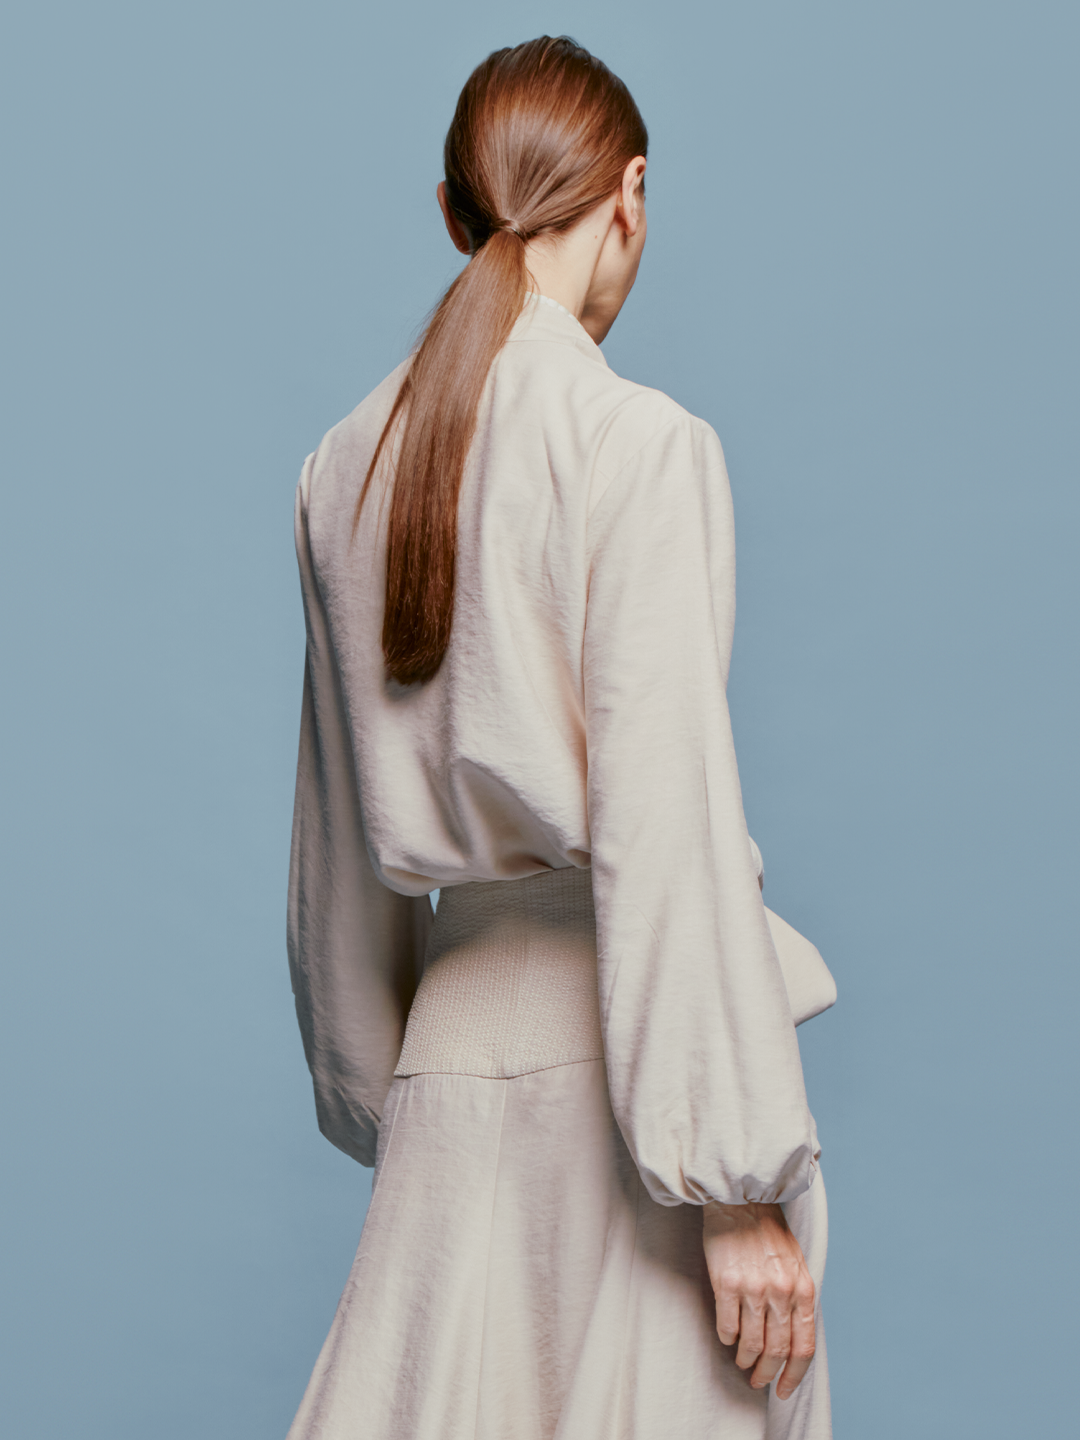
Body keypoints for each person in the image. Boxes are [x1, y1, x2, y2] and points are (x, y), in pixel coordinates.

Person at [285, 34, 832, 1440]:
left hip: (445, 1089)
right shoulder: (637, 444)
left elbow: (337, 849)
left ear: (458, 213)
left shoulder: (341, 469)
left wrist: (381, 1098)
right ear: (630, 194)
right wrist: (730, 1184)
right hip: (630, 1099)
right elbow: (666, 818)